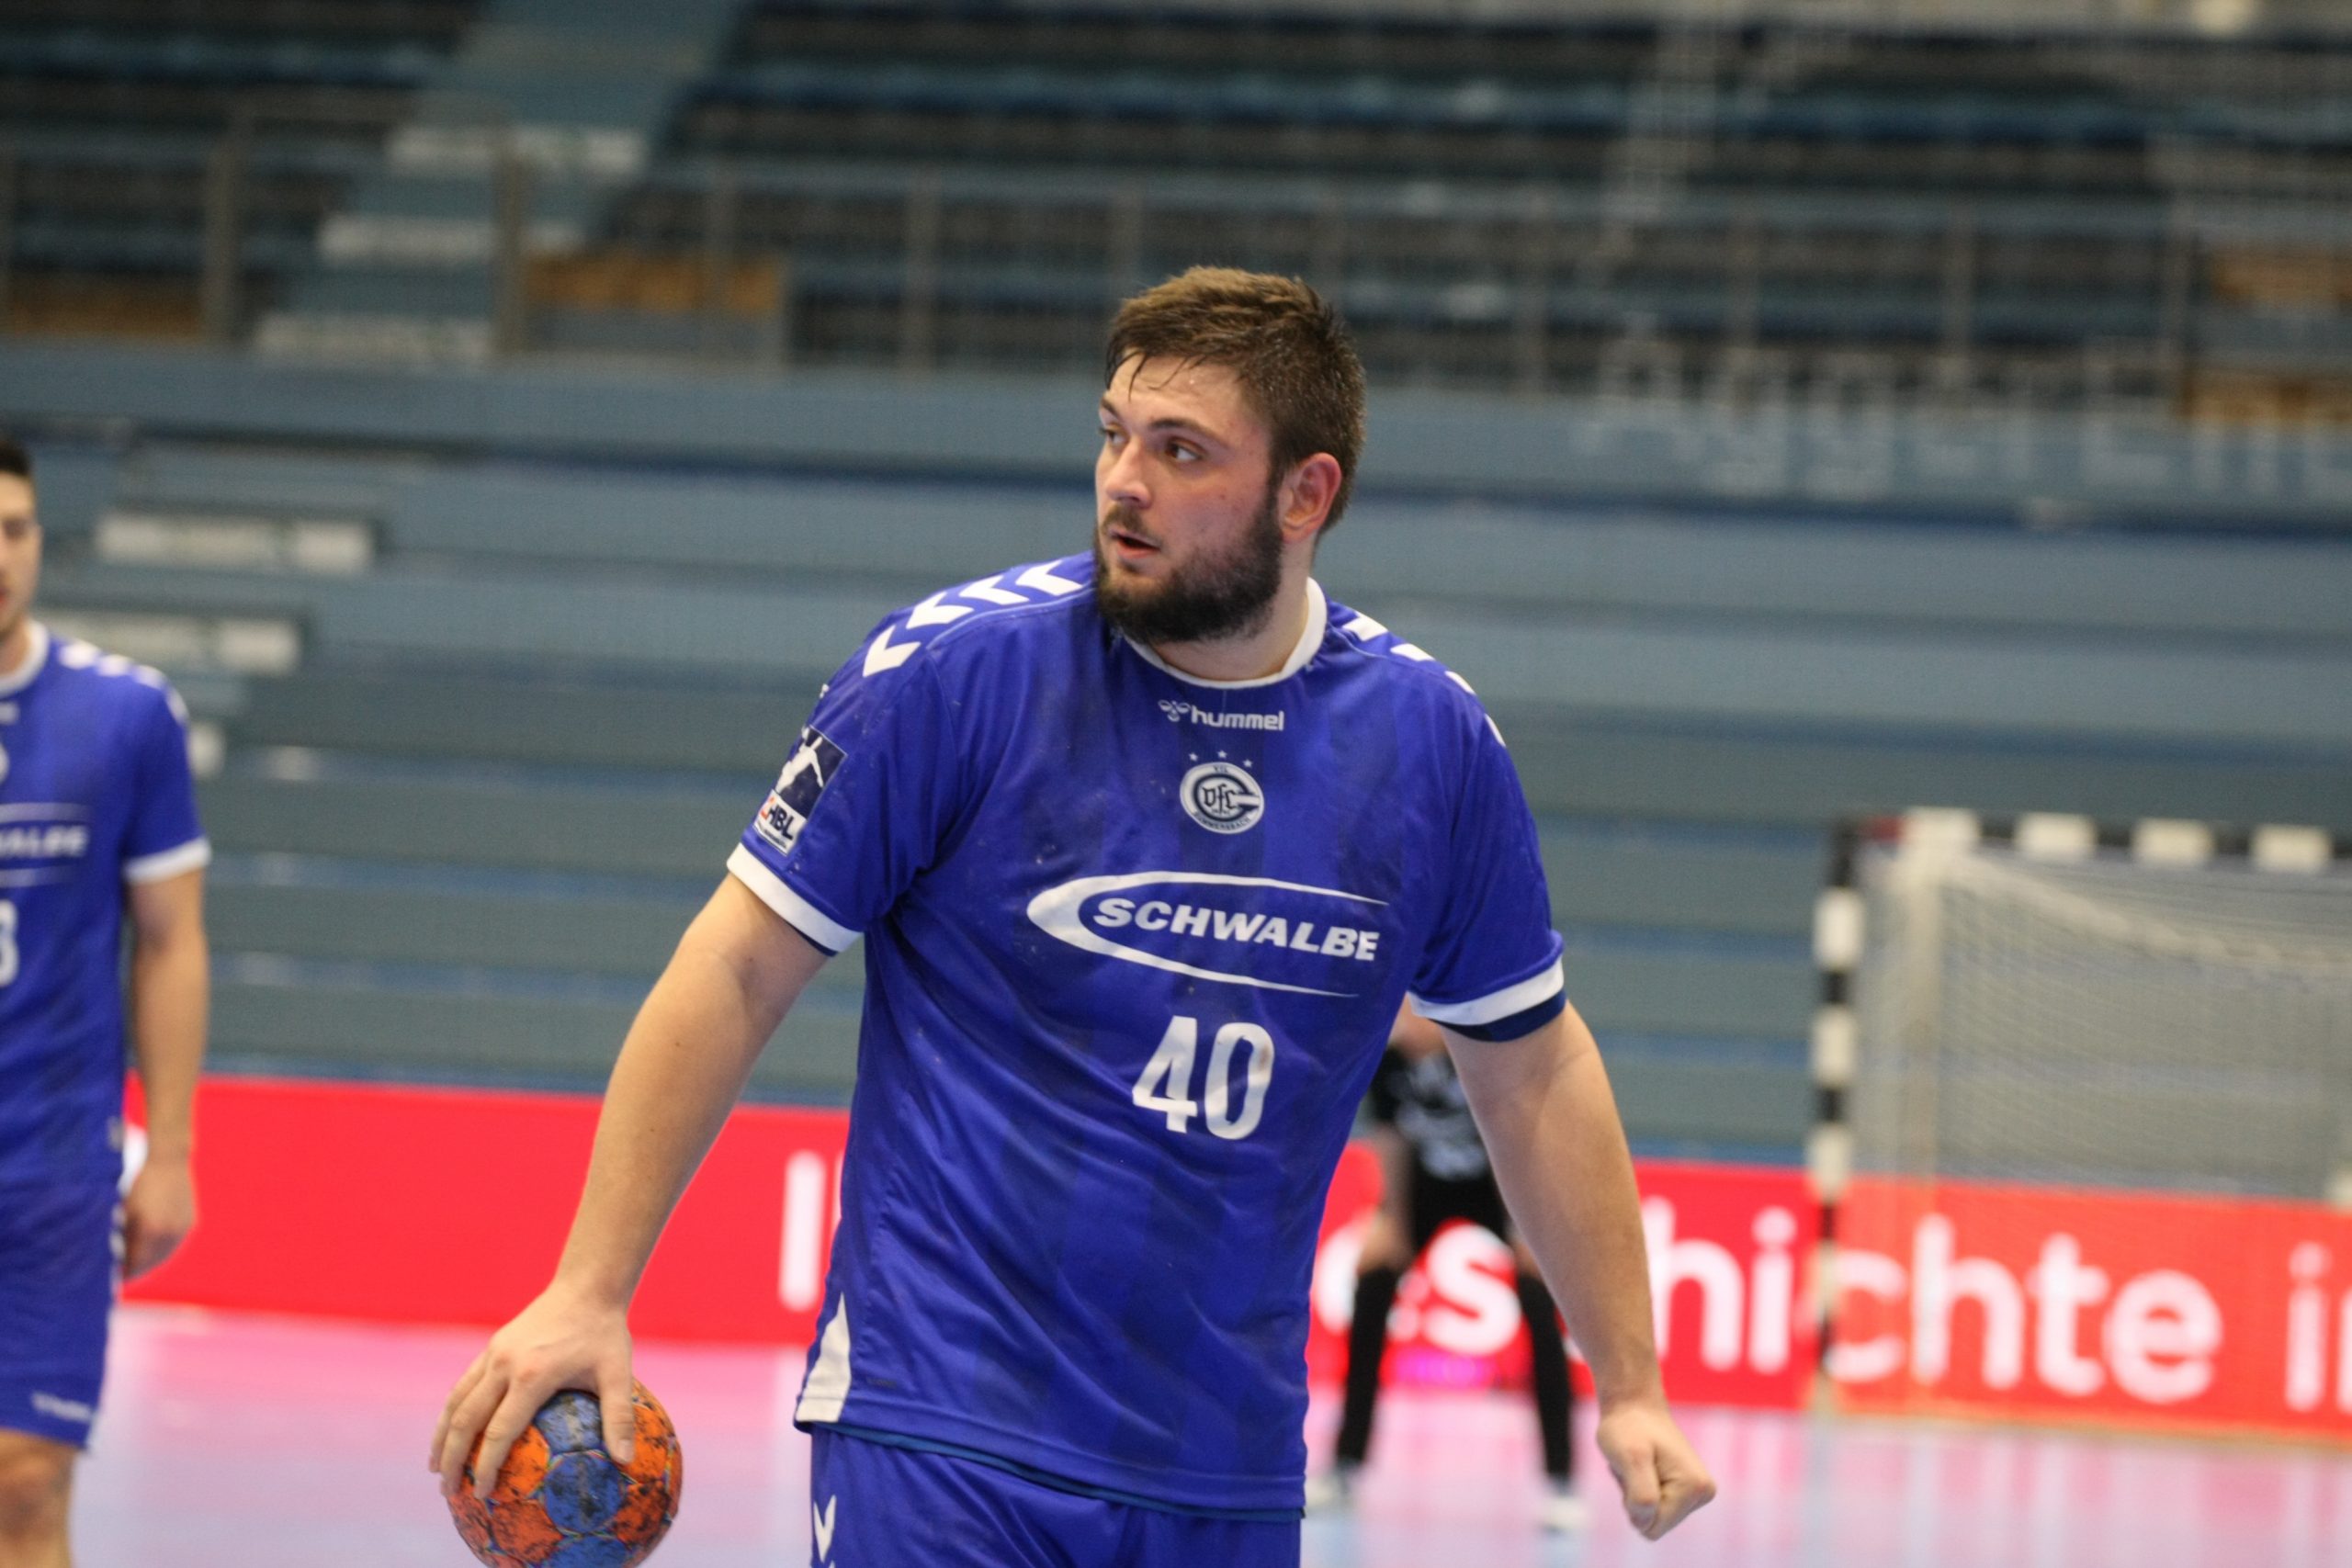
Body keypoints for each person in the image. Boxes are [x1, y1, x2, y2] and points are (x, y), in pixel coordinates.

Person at [432, 267, 1713, 1564]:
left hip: (1223, 1471)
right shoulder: (953, 673)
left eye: (1181, 451)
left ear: (1305, 494)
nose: (1123, 483)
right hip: (940, 1427)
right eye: (1113, 434)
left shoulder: (1430, 744)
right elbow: (738, 966)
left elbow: (1532, 1061)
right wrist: (589, 1285)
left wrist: (1630, 1380)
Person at [0, 434, 212, 1568]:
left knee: (27, 1483)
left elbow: (171, 943)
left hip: (49, 1165)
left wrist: (167, 1152)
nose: (0, 558)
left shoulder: (125, 716)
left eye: (15, 530)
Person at [1311, 1002, 1585, 1531]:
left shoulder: (1485, 1053)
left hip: (1500, 1186)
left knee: (1539, 1298)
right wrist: (1392, 1222)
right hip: (1426, 1185)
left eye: (1417, 1014)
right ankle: (1344, 1467)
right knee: (1373, 1285)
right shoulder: (1389, 1061)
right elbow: (1391, 1141)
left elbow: (1520, 1138)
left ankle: (1562, 1483)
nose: (1406, 1023)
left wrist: (1526, 1230)